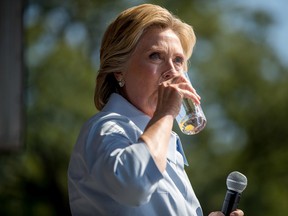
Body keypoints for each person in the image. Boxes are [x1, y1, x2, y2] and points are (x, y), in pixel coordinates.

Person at [68, 4, 244, 216]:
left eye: (178, 60)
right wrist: (166, 113)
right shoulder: (104, 128)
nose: (171, 71)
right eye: (155, 56)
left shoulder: (166, 143)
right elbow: (135, 184)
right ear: (118, 69)